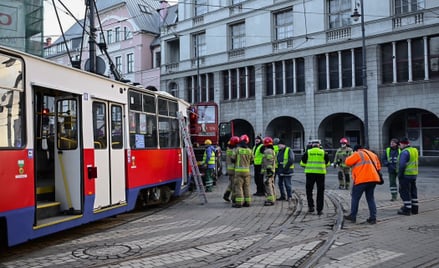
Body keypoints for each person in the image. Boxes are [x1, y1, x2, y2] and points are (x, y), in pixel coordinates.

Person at [343, 144, 381, 224]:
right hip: (373, 179)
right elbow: (378, 167)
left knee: (355, 198)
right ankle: (373, 218)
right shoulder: (372, 154)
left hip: (361, 180)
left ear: (356, 150)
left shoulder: (357, 153)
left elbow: (347, 162)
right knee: (370, 198)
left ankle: (353, 216)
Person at [300, 139, 330, 215]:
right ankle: (319, 210)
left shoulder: (308, 152)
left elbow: (302, 163)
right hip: (320, 174)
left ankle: (311, 207)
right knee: (320, 192)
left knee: (309, 191)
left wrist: (308, 166)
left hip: (310, 174)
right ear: (319, 145)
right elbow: (328, 163)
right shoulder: (323, 152)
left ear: (312, 145)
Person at [397, 137, 419, 216]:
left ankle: (407, 209)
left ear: (403, 144)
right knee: (413, 191)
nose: (399, 146)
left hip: (406, 175)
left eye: (400, 145)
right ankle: (415, 209)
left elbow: (402, 165)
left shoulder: (404, 152)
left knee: (404, 192)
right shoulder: (414, 150)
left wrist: (400, 175)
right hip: (414, 174)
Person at [231, 134, 254, 208]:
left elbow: (233, 159)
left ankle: (239, 203)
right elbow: (252, 161)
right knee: (246, 187)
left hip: (238, 172)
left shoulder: (237, 150)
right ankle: (248, 202)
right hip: (247, 171)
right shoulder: (249, 150)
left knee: (239, 187)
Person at [223, 136, 240, 202]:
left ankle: (226, 195)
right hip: (233, 170)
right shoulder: (233, 151)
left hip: (230, 170)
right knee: (234, 185)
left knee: (231, 183)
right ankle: (234, 198)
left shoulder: (228, 150)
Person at [261, 137, 276, 206]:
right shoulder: (272, 150)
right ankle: (273, 197)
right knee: (271, 184)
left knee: (268, 184)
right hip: (271, 170)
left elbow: (269, 161)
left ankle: (270, 200)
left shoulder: (268, 151)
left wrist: (268, 170)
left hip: (268, 171)